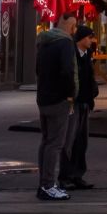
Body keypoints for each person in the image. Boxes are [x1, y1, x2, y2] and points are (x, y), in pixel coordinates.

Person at [35, 13, 78, 201]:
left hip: (43, 97)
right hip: (59, 99)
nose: (75, 30)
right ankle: (48, 185)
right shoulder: (66, 43)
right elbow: (68, 70)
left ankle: (43, 183)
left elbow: (37, 69)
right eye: (74, 26)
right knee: (55, 143)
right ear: (68, 25)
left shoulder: (44, 42)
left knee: (46, 142)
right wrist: (69, 95)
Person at [59, 25, 99, 191]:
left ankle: (77, 175)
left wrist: (91, 96)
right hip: (73, 102)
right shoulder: (72, 54)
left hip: (84, 103)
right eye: (89, 37)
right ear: (82, 38)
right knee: (69, 140)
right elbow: (68, 76)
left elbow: (89, 77)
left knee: (82, 141)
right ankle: (65, 176)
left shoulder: (87, 55)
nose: (92, 40)